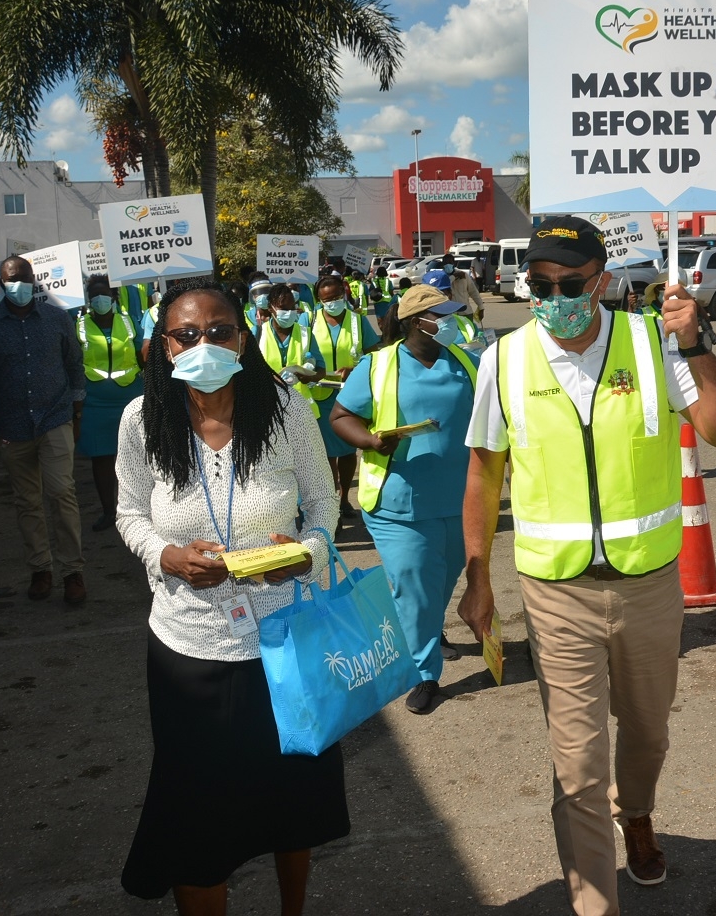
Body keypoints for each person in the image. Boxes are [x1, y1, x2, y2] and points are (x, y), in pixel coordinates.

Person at [457, 218, 716, 915]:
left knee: (647, 733)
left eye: (569, 284)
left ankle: (639, 813)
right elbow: (483, 474)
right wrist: (478, 576)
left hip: (650, 585)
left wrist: (696, 341)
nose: (553, 296)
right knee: (579, 769)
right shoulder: (506, 358)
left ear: (603, 281)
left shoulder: (654, 345)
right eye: (540, 284)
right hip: (556, 594)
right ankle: (597, 904)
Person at [116, 278, 345, 914]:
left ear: (242, 337)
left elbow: (324, 504)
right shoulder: (142, 420)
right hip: (188, 651)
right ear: (164, 346)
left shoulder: (286, 407)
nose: (204, 344)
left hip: (284, 643)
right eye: (187, 334)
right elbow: (129, 512)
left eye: (219, 331)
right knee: (196, 814)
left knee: (289, 799)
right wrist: (165, 555)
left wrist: (305, 553)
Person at [330, 284, 476, 715]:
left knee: (442, 580)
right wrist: (371, 441)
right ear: (418, 323)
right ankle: (425, 674)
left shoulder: (466, 359)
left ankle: (427, 631)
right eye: (441, 316)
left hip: (460, 498)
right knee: (414, 586)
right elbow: (342, 415)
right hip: (401, 504)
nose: (450, 323)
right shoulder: (377, 366)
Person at [0, 255, 89, 605]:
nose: (15, 285)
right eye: (8, 280)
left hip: (55, 418)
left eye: (21, 278)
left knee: (62, 493)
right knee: (27, 501)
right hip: (11, 424)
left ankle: (73, 572)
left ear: (34, 280)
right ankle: (40, 569)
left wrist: (77, 409)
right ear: (1, 285)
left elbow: (73, 364)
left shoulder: (56, 319)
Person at [78, 273, 145, 532]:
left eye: (104, 294)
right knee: (101, 458)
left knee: (136, 457)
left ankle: (138, 511)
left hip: (129, 398)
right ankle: (109, 512)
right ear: (89, 300)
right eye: (94, 295)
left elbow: (142, 355)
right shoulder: (79, 326)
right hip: (94, 401)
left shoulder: (128, 324)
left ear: (114, 297)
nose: (100, 299)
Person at [308, 275, 379, 519]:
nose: (333, 303)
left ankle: (345, 498)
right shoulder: (309, 321)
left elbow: (374, 354)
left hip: (352, 395)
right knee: (326, 454)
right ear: (319, 300)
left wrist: (355, 369)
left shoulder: (358, 321)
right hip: (320, 395)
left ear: (345, 295)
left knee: (349, 451)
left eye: (337, 297)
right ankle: (331, 498)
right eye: (327, 299)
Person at [258, 284, 325, 412]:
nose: (289, 313)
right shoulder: (258, 333)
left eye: (292, 308)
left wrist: (310, 377)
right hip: (267, 407)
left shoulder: (306, 333)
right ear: (270, 308)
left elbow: (322, 370)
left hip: (300, 408)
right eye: (283, 309)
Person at [421, 270, 482, 345]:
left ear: (450, 294)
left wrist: (481, 306)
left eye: (441, 293)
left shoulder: (467, 325)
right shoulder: (417, 326)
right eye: (433, 295)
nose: (437, 298)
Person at [432, 253, 484, 322]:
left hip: (465, 313)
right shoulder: (441, 277)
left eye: (450, 262)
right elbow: (443, 288)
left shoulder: (464, 275)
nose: (448, 265)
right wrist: (454, 276)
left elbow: (473, 291)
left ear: (454, 263)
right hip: (449, 315)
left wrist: (481, 307)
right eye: (446, 263)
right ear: (443, 265)